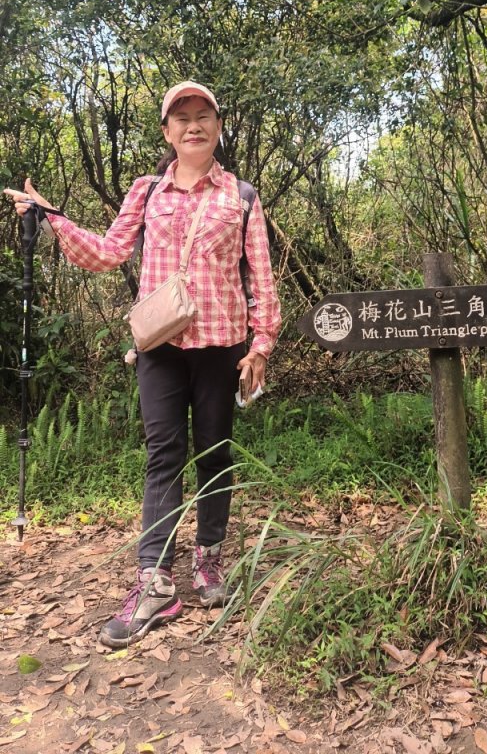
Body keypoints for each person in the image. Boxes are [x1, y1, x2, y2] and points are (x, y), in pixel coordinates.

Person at [4, 81, 281, 648]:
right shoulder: (148, 190)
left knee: (213, 450)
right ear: (166, 131)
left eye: (204, 116)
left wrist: (261, 345)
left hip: (221, 344)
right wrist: (53, 216)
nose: (193, 125)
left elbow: (261, 276)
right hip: (158, 344)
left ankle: (208, 557)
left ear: (219, 127)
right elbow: (107, 253)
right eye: (182, 118)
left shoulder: (242, 197)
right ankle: (154, 580)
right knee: (163, 453)